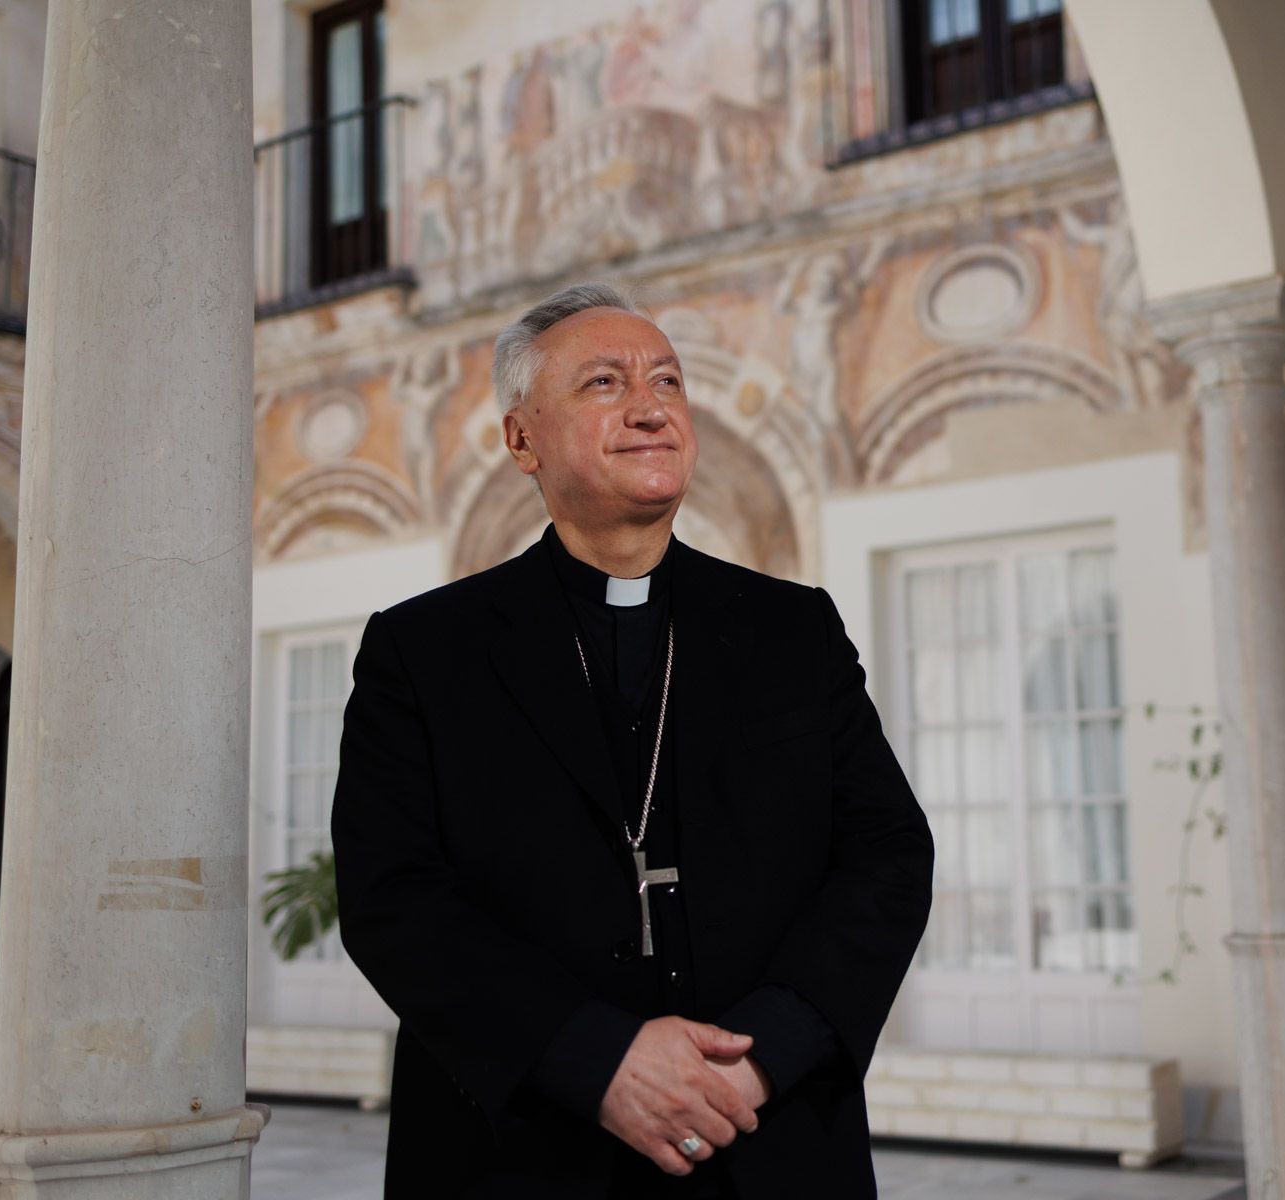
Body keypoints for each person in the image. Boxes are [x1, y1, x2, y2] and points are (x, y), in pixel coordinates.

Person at [331, 281, 933, 1197]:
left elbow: (888, 852)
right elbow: (394, 898)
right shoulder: (424, 650)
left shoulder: (790, 630)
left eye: (668, 382)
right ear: (522, 438)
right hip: (522, 1149)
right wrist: (594, 1060)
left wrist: (764, 1054)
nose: (650, 408)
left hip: (766, 1138)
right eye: (604, 383)